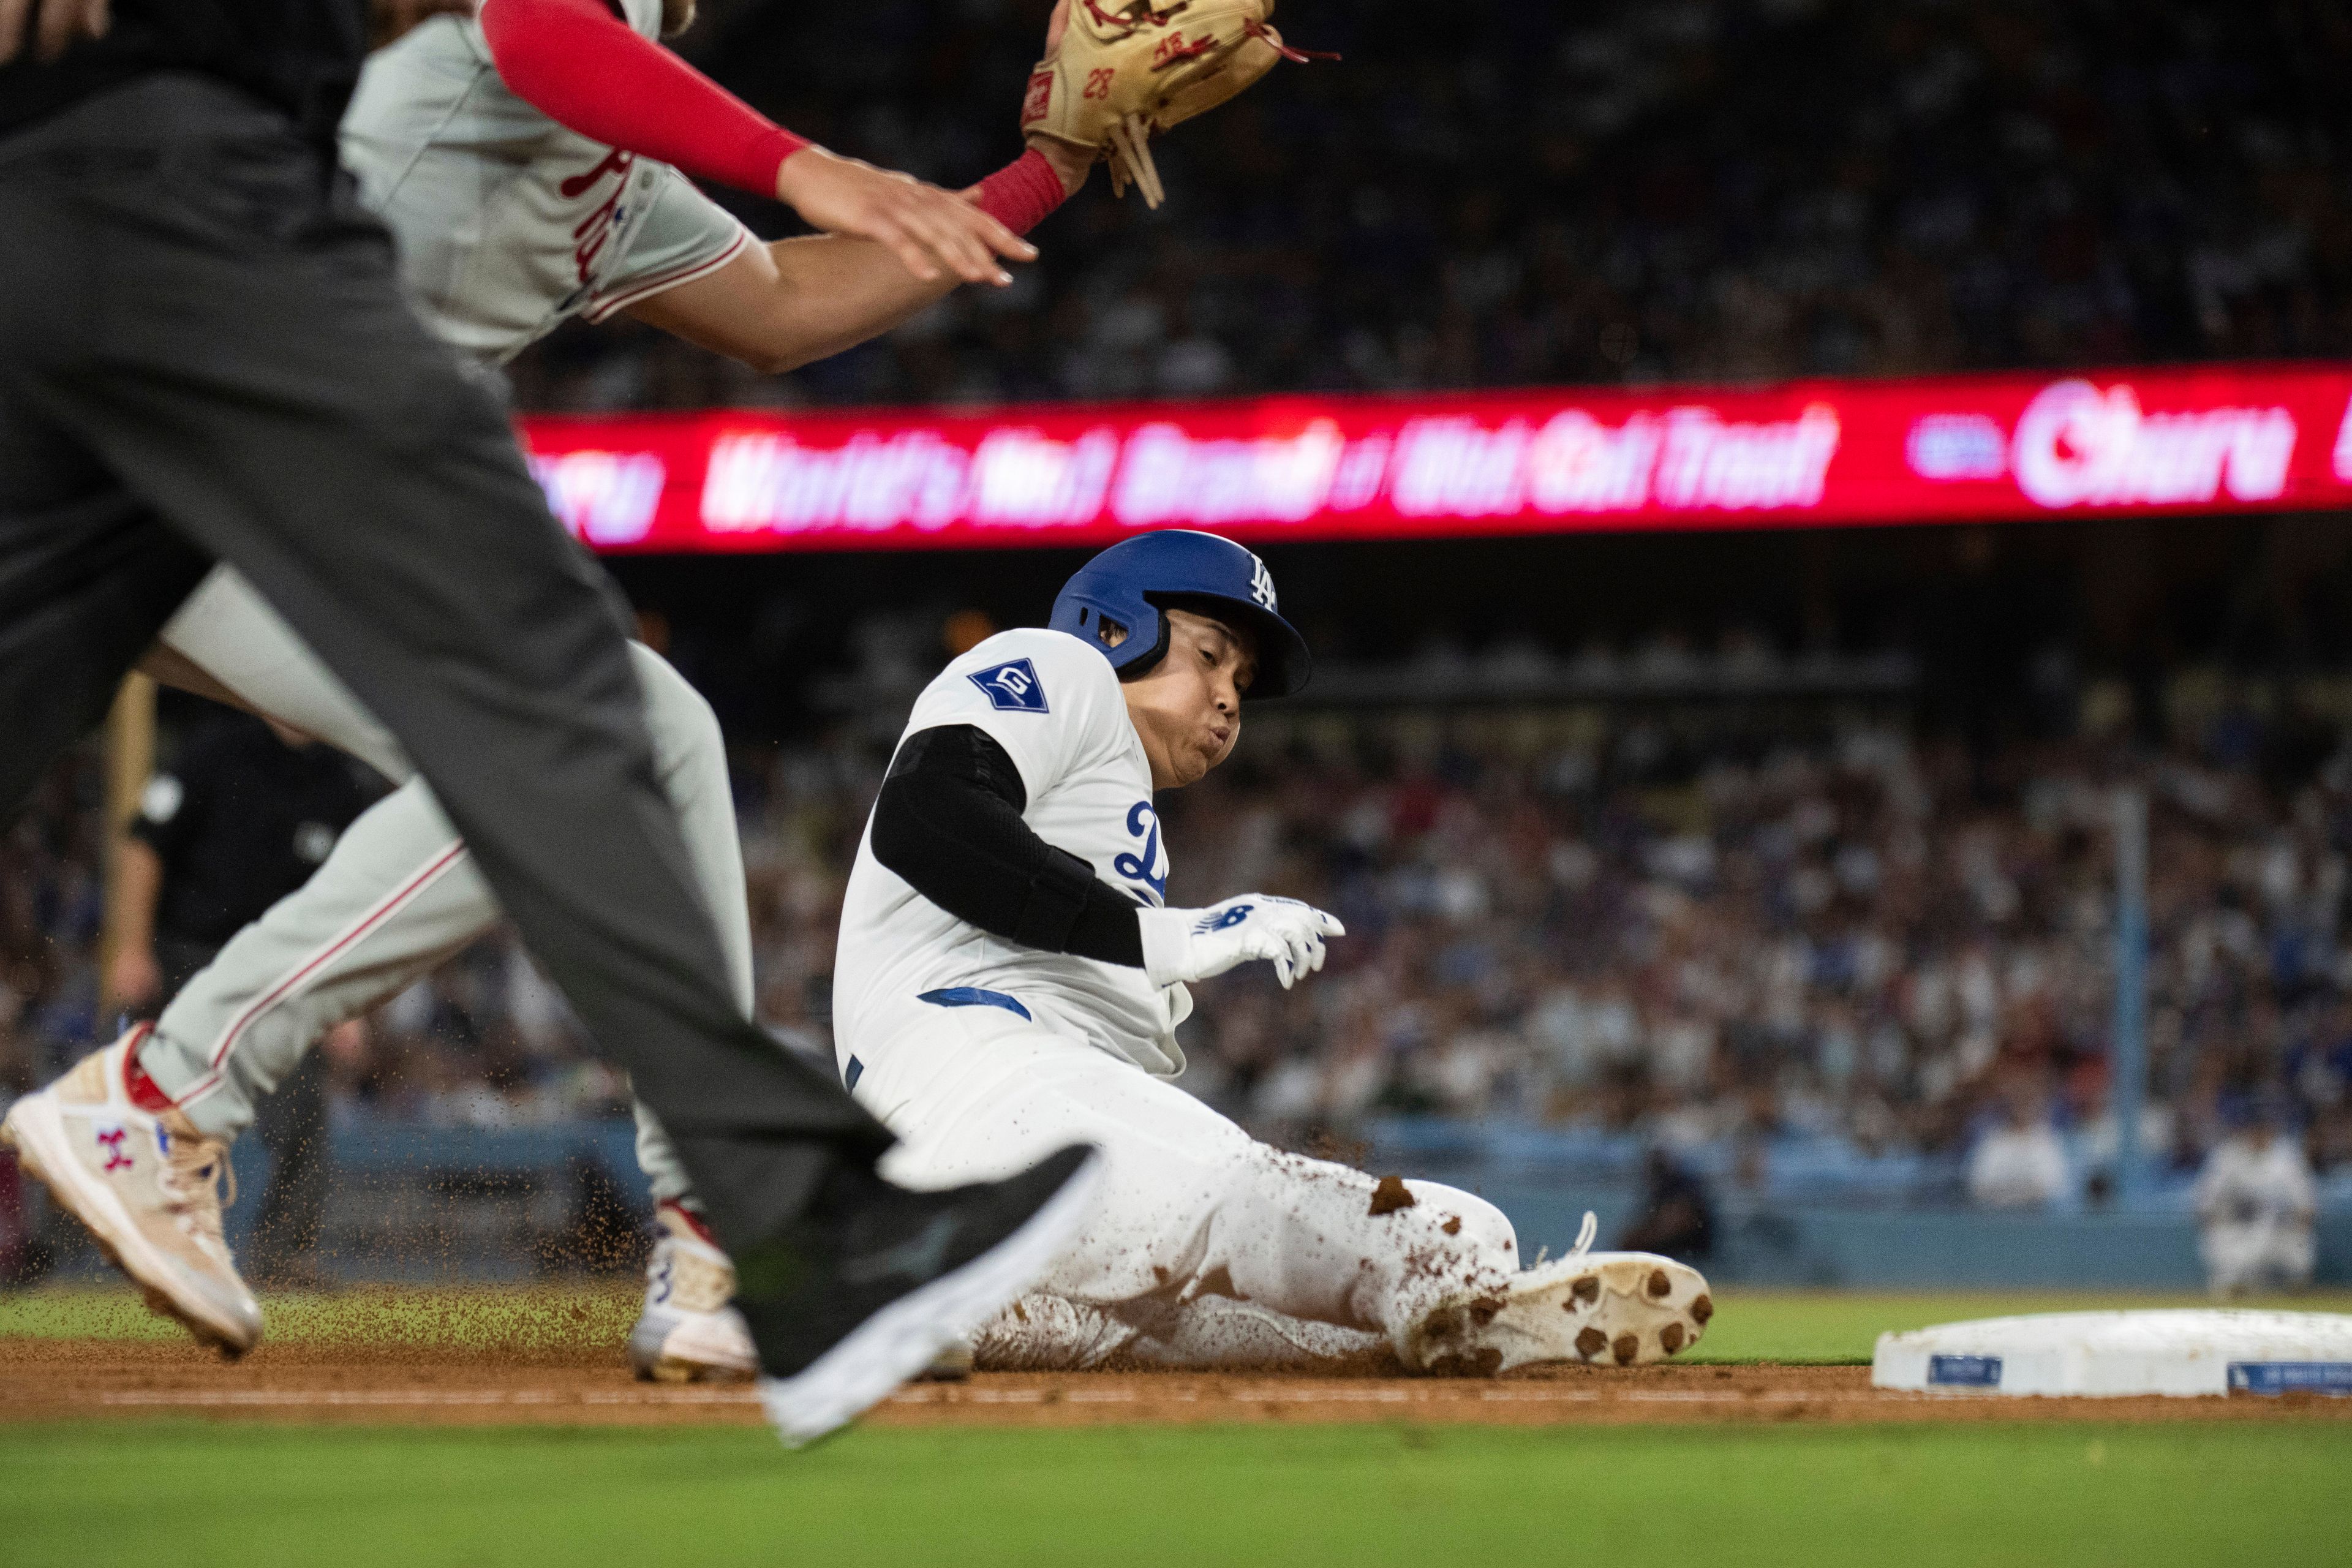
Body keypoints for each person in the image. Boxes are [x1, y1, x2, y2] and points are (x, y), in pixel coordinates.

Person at [0, 0, 1099, 1446]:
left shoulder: (618, 162)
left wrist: (1045, 174)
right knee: (562, 737)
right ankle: (169, 1093)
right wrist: (814, 163)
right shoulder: (553, 44)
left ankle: (721, 1238)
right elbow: (537, 27)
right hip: (193, 421)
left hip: (196, 457)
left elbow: (781, 310)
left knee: (635, 731)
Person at [827, 531, 1714, 1373]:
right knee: (1287, 1212)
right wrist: (1165, 935)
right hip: (971, 1064)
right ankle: (1451, 1286)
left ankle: (931, 1285)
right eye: (1211, 655)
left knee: (1411, 1262)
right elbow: (928, 814)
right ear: (1112, 626)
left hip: (988, 1121)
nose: (1229, 698)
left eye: (1243, 683)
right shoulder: (1066, 666)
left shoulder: (1110, 804)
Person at [111, 710, 379, 1284]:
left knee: (304, 1106)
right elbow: (145, 845)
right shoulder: (214, 751)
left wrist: (346, 1006)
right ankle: (118, 1248)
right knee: (159, 1106)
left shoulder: (341, 782)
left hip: (285, 977)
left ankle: (285, 1259)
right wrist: (130, 947)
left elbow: (359, 905)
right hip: (193, 959)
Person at [2195, 1095, 2318, 1298]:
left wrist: (2293, 1226)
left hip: (2278, 1231)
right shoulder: (2227, 1156)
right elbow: (2205, 1207)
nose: (2259, 1132)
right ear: (2244, 1128)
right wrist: (2221, 1233)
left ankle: (2293, 1283)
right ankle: (2233, 1282)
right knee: (2229, 1277)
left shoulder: (2286, 1156)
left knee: (2298, 1251)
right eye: (2254, 1127)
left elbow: (2307, 1207)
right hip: (2237, 1231)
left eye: (2264, 1126)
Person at [1966, 1086, 2071, 1210]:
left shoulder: (2047, 1140)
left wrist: (2015, 1192)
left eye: (2027, 1102)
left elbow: (2055, 1186)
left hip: (2039, 1219)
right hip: (1997, 1218)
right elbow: (1978, 1185)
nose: (2022, 1108)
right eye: (2018, 1101)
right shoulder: (1994, 1141)